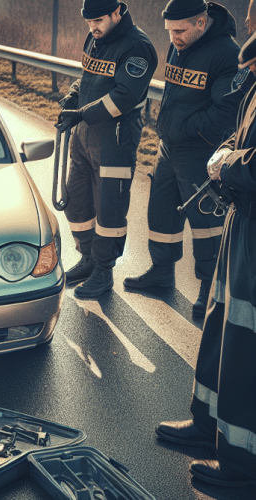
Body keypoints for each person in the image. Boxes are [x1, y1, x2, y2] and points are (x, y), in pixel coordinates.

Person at [154, 32, 256, 489]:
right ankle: (208, 426)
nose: (249, 73)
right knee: (219, 321)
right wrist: (224, 152)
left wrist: (227, 164)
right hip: (243, 217)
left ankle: (243, 464)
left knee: (244, 340)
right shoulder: (254, 79)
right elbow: (239, 133)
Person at [123, 0, 250, 319]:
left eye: (180, 30)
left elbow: (226, 113)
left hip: (199, 151)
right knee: (161, 212)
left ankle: (209, 290)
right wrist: (169, 129)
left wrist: (182, 128)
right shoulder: (179, 45)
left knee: (206, 224)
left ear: (202, 22)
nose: (174, 37)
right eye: (170, 31)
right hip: (168, 148)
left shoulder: (226, 55)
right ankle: (161, 273)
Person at [55, 0, 158, 299]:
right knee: (76, 200)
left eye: (98, 20)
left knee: (109, 209)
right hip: (85, 135)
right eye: (88, 22)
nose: (92, 27)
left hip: (115, 138)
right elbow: (87, 78)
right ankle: (87, 257)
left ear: (117, 13)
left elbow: (124, 97)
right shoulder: (95, 36)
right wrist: (73, 98)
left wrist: (84, 113)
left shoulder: (137, 46)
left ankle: (103, 271)